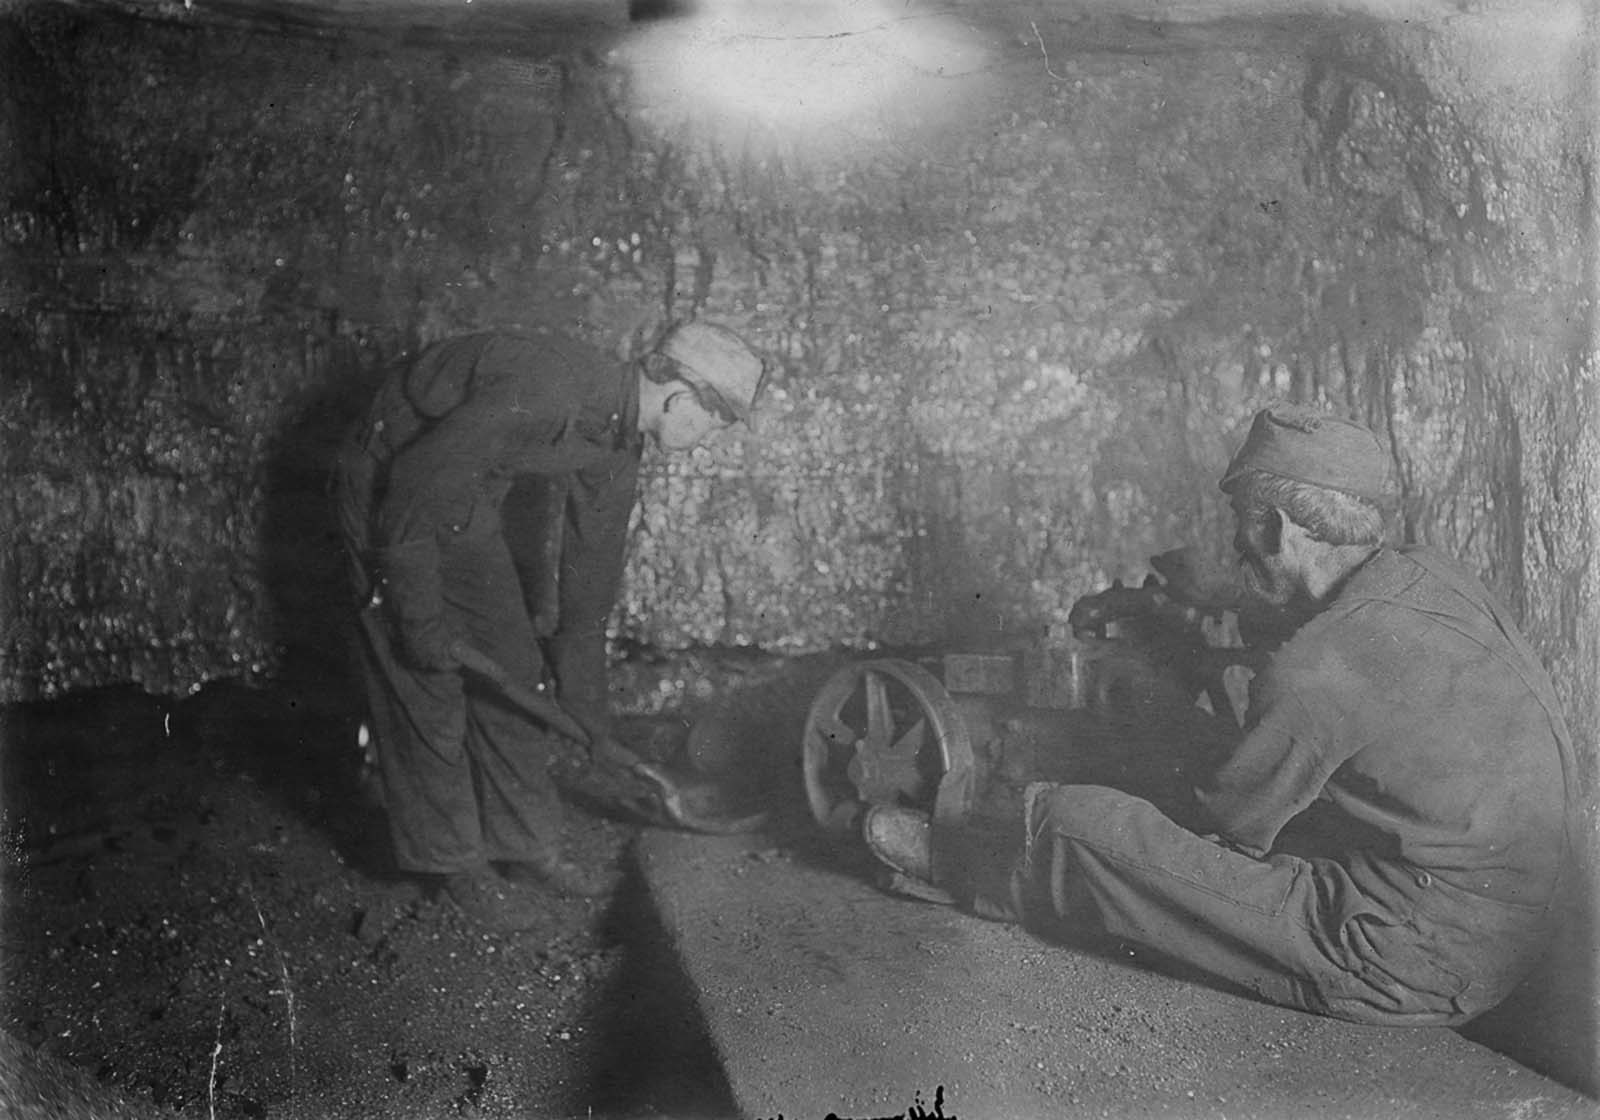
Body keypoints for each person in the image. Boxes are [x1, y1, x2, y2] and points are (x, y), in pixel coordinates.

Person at [863, 403, 1577, 1025]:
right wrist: (1202, 608)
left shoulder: (1315, 669)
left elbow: (1226, 827)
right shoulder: (1428, 574)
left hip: (1406, 957)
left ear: (1271, 529)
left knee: (1080, 825)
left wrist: (1143, 733)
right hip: (1522, 924)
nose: (1236, 544)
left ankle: (962, 863)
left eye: (1240, 525)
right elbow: (1332, 643)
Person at [336, 321, 765, 933]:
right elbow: (411, 491)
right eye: (712, 426)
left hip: (462, 498)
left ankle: (525, 844)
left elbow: (588, 584)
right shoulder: (547, 388)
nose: (704, 444)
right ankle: (454, 864)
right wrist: (419, 619)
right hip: (388, 490)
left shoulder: (619, 439)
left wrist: (587, 711)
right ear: (679, 397)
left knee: (515, 668)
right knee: (422, 681)